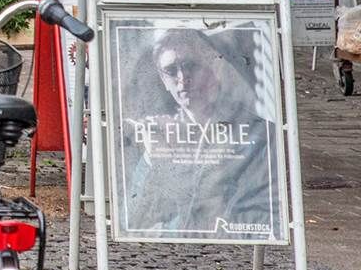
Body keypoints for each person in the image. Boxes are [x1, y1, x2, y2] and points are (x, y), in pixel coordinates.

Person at [118, 23, 279, 241]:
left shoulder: (256, 132)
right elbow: (134, 218)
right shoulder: (156, 133)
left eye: (190, 65)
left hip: (229, 247)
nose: (183, 78)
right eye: (171, 71)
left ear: (214, 67)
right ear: (164, 80)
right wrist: (153, 158)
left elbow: (267, 217)